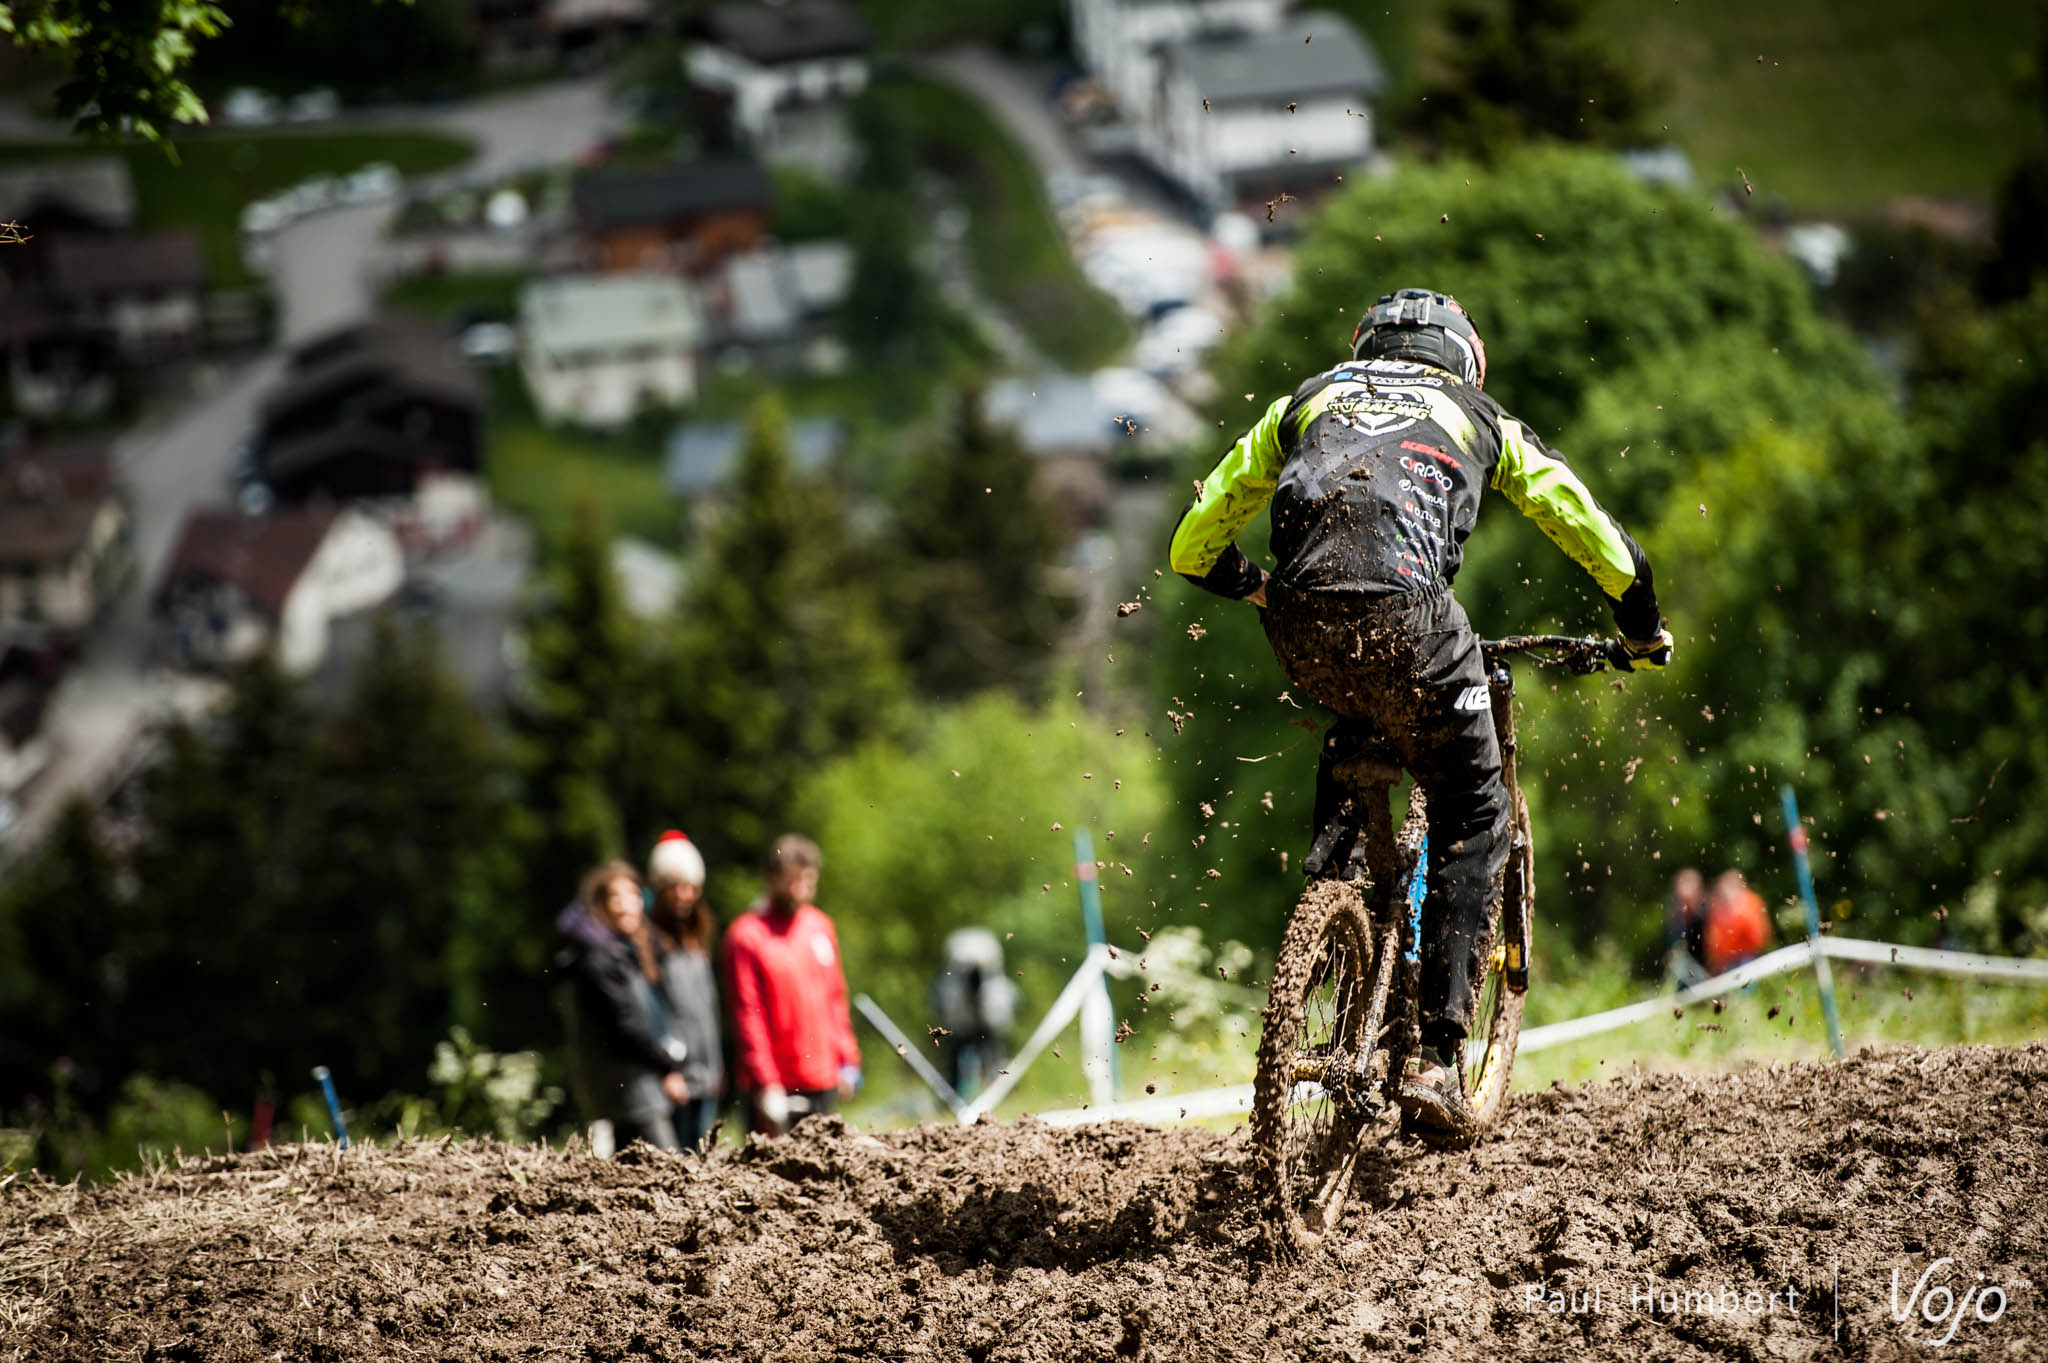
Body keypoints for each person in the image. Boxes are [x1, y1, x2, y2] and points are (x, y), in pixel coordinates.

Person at [1169, 287, 1673, 1146]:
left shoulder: (1308, 400)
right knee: (1476, 808)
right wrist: (1640, 626)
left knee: (1355, 717)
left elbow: (1191, 546)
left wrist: (1254, 586)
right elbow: (1589, 528)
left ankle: (1333, 916)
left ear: (1367, 345)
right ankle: (1439, 1056)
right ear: (1463, 356)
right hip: (1409, 616)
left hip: (1300, 622)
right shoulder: (1477, 414)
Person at [722, 834, 862, 1135]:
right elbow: (748, 1014)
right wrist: (765, 1082)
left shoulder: (820, 927)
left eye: (807, 881)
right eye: (792, 881)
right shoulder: (746, 936)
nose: (800, 890)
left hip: (822, 1078)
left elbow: (835, 998)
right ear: (772, 878)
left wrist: (847, 1058)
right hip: (776, 1086)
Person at [556, 860, 689, 1152]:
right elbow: (624, 1026)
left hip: (637, 1088)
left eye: (634, 895)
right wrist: (667, 1066)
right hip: (631, 1092)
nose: (627, 905)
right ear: (599, 905)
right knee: (669, 1172)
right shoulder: (597, 960)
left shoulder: (619, 951)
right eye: (616, 897)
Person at [645, 829, 725, 1151]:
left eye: (691, 887)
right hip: (675, 1078)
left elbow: (707, 1009)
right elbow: (652, 1013)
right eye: (676, 887)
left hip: (706, 1075)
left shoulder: (699, 941)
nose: (684, 895)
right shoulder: (649, 943)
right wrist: (666, 1071)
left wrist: (717, 1067)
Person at [929, 927, 1020, 1098]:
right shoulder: (953, 988)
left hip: (983, 1023)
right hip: (960, 1023)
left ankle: (998, 1095)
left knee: (993, 1060)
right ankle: (952, 1098)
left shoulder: (992, 987)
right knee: (954, 1064)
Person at [1703, 869, 1771, 976]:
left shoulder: (1751, 903)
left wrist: (1738, 914)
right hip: (1725, 959)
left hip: (1748, 955)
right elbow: (1713, 939)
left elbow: (1758, 935)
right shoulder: (1717, 908)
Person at [1666, 867, 1710, 989]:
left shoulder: (1705, 910)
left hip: (1705, 960)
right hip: (1685, 961)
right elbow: (1674, 945)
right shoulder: (1676, 913)